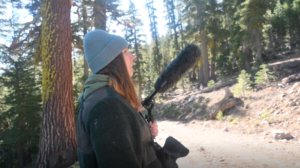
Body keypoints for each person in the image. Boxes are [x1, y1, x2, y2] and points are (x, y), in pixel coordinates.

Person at [76, 29, 162, 168]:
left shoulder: (103, 98)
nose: (132, 56)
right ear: (111, 60)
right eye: (125, 52)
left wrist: (145, 135)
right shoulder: (107, 107)